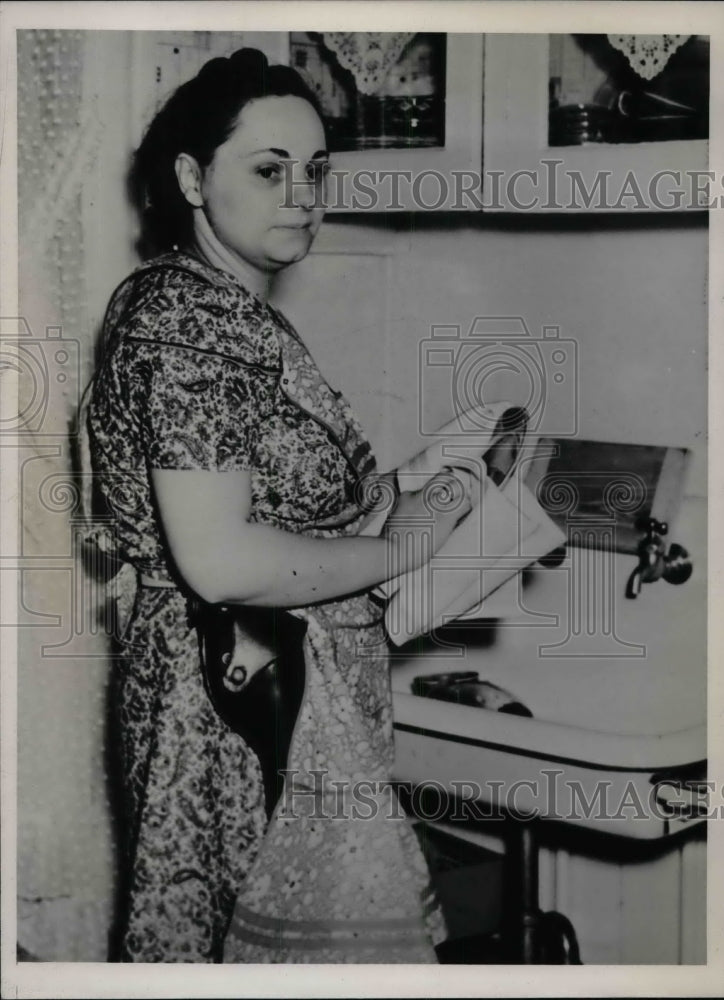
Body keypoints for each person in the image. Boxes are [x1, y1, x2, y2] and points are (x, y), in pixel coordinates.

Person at [85, 47, 477, 963]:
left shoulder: (220, 307)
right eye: (268, 170)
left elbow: (282, 502)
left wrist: (421, 483)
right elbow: (221, 560)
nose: (302, 193)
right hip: (229, 708)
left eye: (315, 170)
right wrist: (403, 548)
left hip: (260, 689)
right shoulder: (194, 322)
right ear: (190, 177)